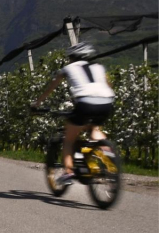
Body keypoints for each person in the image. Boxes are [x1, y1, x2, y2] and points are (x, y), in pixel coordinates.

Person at [32, 42, 115, 187]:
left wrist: (37, 103)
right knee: (95, 129)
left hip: (85, 103)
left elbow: (51, 87)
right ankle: (108, 155)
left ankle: (69, 172)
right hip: (107, 102)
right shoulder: (99, 67)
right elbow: (108, 85)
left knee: (69, 140)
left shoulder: (68, 68)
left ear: (72, 57)